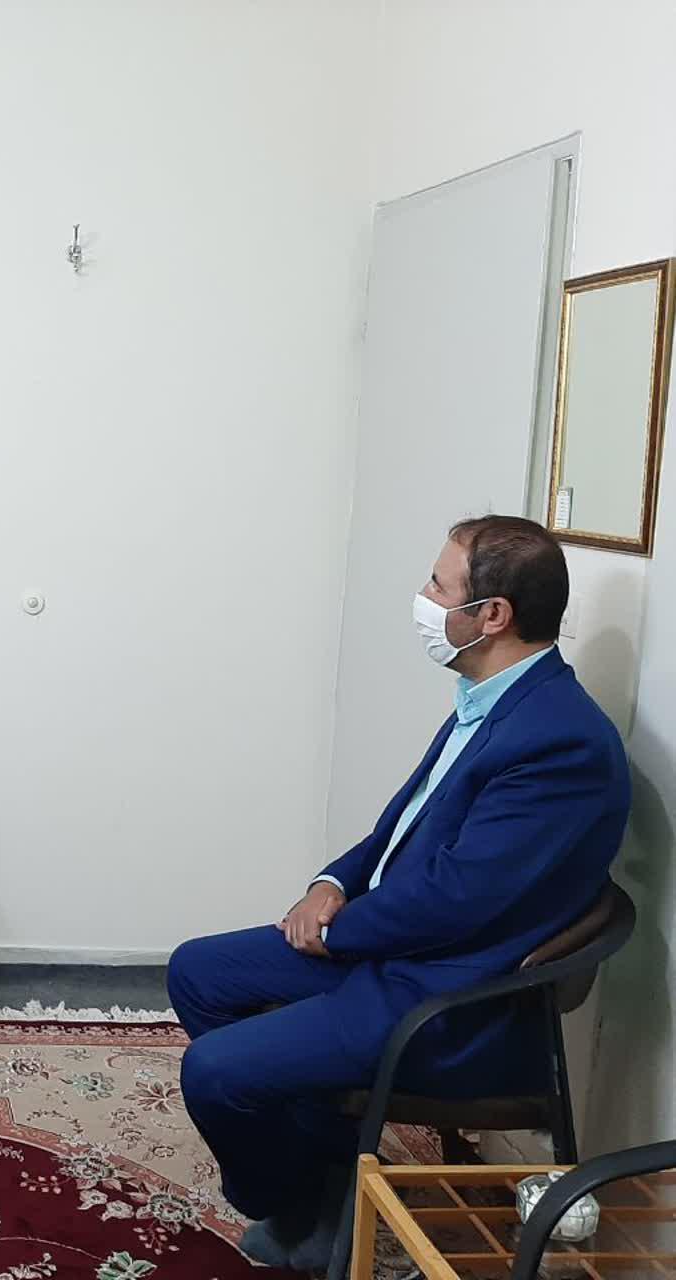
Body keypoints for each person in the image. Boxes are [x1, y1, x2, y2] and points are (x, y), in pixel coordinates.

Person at [167, 515, 629, 1270]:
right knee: (198, 971)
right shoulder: (495, 698)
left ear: (491, 615)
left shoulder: (560, 742)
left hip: (445, 994)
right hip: (397, 948)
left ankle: (294, 1200)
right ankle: (326, 1172)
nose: (423, 597)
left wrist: (337, 932)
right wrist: (330, 883)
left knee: (215, 1073)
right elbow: (403, 827)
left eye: (438, 586)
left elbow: (456, 900)